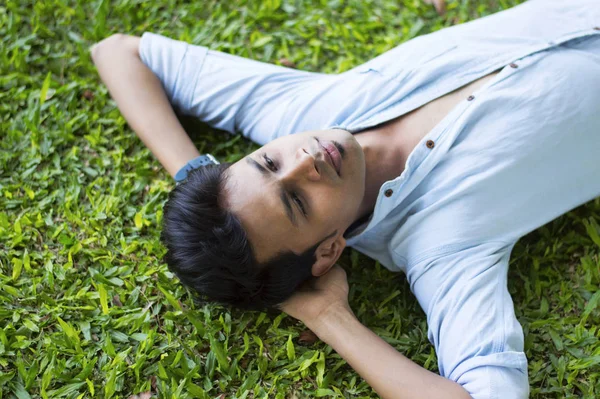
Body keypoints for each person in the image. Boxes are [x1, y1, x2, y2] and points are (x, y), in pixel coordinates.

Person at [91, 0, 600, 397]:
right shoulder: (442, 248)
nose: (303, 160)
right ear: (329, 251)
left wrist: (196, 173)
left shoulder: (296, 111)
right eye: (297, 202)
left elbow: (118, 52)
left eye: (266, 162)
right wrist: (331, 318)